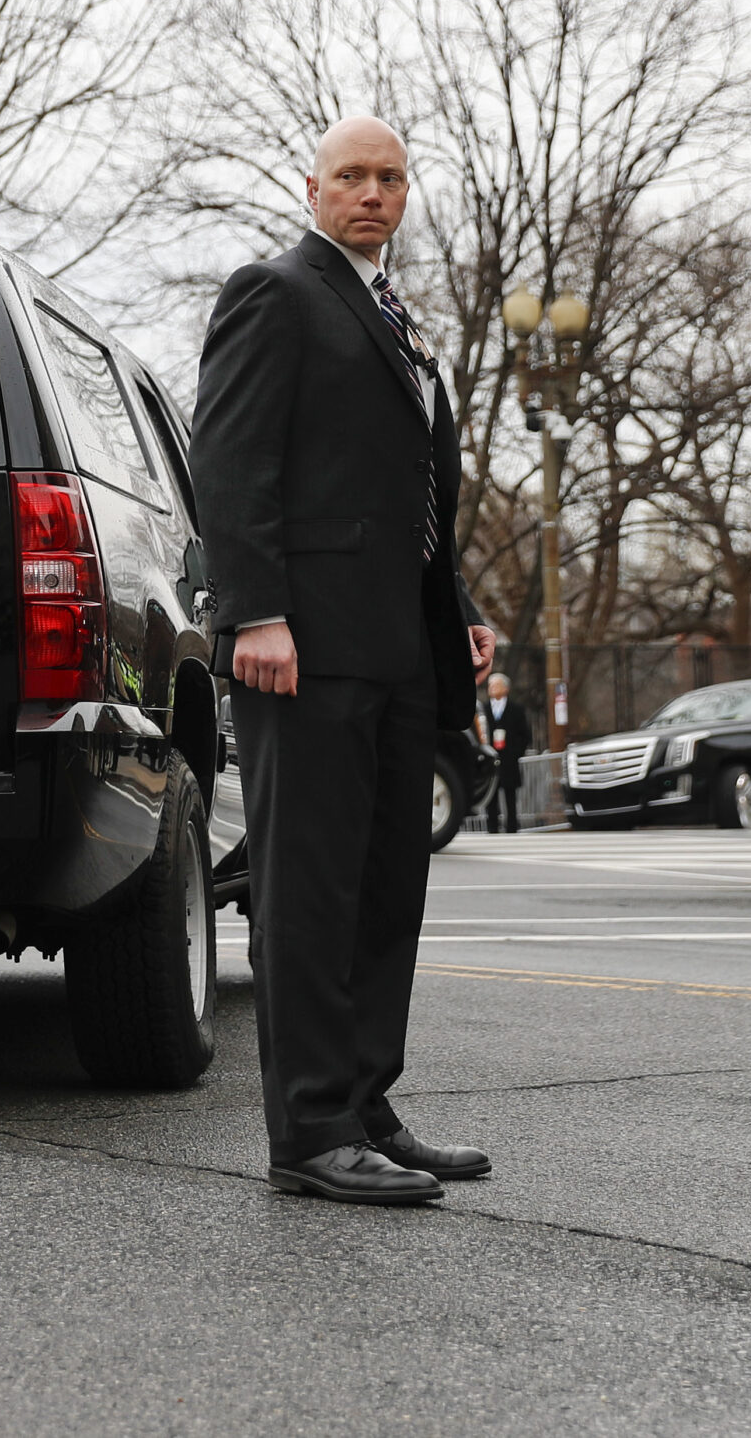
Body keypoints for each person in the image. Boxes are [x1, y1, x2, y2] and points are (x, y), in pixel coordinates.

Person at [191, 116, 499, 1206]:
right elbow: (231, 460)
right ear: (312, 187)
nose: (373, 193)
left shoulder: (395, 318)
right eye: (353, 176)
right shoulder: (274, 293)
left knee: (383, 887)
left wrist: (455, 606)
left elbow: (400, 489)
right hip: (303, 647)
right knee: (311, 889)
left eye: (391, 178)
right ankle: (310, 1130)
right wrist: (255, 612)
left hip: (398, 645)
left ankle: (366, 1105)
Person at [482, 674, 531, 833]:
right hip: (489, 759)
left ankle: (512, 826)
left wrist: (515, 752)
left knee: (510, 794)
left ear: (505, 689)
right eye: (490, 685)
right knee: (491, 795)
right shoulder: (483, 710)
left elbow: (525, 735)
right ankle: (492, 827)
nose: (492, 688)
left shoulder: (516, 709)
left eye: (496, 685)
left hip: (509, 759)